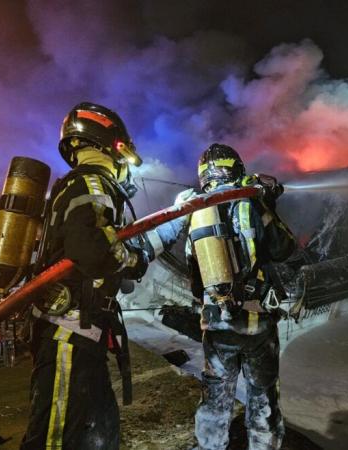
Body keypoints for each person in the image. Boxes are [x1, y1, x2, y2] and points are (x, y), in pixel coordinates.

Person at [146, 144, 296, 450]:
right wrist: (269, 205)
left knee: (216, 397)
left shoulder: (194, 204)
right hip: (258, 324)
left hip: (217, 323)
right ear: (236, 167)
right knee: (263, 397)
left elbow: (159, 236)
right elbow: (285, 248)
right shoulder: (252, 201)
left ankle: (211, 445)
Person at [20, 102, 149, 450]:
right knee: (54, 437)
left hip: (80, 335)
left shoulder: (75, 185)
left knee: (98, 433)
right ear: (115, 144)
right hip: (69, 336)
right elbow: (92, 248)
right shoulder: (91, 183)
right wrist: (136, 259)